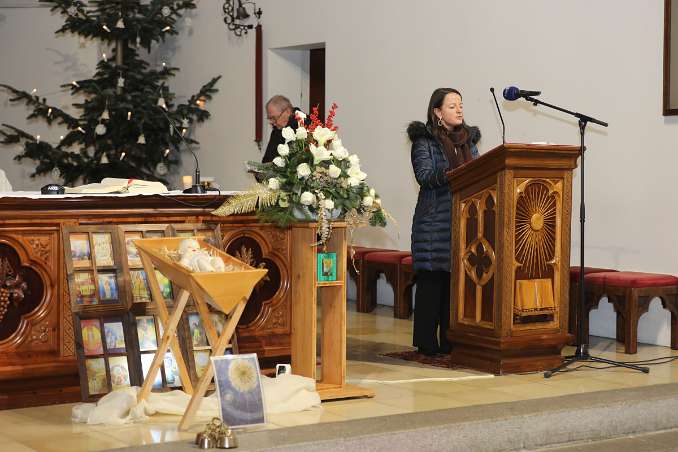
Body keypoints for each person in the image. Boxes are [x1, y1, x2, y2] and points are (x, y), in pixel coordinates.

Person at [407, 87, 481, 356]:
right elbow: (425, 176)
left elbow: (481, 174)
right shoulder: (424, 142)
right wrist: (455, 170)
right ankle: (426, 343)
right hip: (434, 223)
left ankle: (450, 340)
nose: (459, 110)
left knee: (454, 284)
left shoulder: (468, 142)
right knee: (432, 283)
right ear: (437, 112)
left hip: (464, 223)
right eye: (452, 106)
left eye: (460, 105)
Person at [262, 95, 307, 164]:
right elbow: (267, 160)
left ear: (288, 112)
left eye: (274, 118)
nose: (272, 122)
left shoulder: (304, 126)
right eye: (270, 118)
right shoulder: (277, 129)